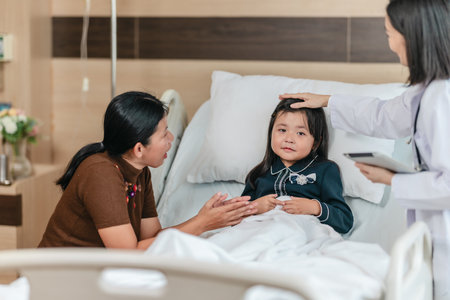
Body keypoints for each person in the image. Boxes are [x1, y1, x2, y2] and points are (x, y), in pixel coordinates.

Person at [279, 0, 450, 298]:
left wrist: (392, 179)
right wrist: (327, 100)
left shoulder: (442, 98)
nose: (391, 44)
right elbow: (382, 115)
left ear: (413, 36)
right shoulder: (428, 91)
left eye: (390, 33)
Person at [39, 91, 256, 250]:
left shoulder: (139, 173)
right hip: (60, 275)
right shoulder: (100, 173)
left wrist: (203, 218)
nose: (171, 140)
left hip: (99, 273)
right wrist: (202, 224)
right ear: (139, 148)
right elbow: (130, 254)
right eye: (164, 134)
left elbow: (152, 239)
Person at [241, 98, 353, 234]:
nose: (289, 139)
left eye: (300, 133)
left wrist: (314, 207)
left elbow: (345, 221)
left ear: (316, 142)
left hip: (300, 231)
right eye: (282, 130)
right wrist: (255, 207)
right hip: (259, 230)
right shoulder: (258, 174)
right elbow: (234, 219)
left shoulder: (325, 170)